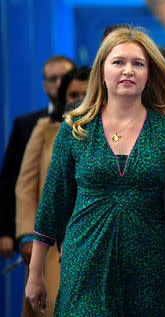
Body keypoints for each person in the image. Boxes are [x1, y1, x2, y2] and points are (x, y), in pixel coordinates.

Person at [25, 25, 165, 316]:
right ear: (102, 71)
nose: (128, 70)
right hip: (85, 266)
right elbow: (52, 204)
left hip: (150, 268)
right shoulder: (75, 130)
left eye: (138, 64)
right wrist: (35, 273)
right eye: (118, 62)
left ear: (149, 73)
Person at [15, 66, 90, 317]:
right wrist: (26, 234)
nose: (79, 100)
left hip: (92, 239)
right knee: (53, 306)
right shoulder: (46, 129)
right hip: (52, 242)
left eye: (85, 94)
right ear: (63, 98)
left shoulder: (109, 132)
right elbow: (25, 186)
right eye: (73, 95)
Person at [0, 55, 75, 259]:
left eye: (65, 77)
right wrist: (10, 232)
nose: (59, 83)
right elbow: (13, 180)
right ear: (44, 85)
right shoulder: (28, 124)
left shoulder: (98, 123)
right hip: (43, 236)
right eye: (53, 78)